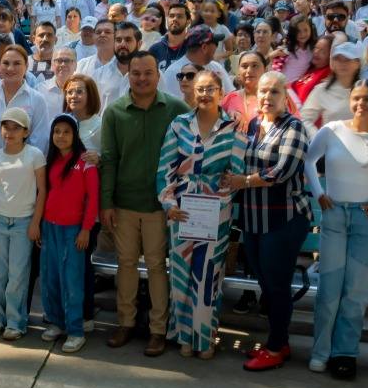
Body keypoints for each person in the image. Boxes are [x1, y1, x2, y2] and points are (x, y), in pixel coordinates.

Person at [304, 80, 368, 379]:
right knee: (329, 288)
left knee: (356, 291)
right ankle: (321, 352)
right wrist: (319, 193)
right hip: (334, 216)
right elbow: (309, 161)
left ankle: (345, 353)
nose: (362, 104)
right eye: (357, 98)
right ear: (350, 101)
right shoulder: (331, 130)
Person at [222, 72, 313, 371]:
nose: (267, 97)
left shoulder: (294, 127)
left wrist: (243, 181)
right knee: (266, 283)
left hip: (284, 218)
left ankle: (275, 348)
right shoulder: (253, 125)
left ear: (285, 96)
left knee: (276, 285)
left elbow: (282, 171)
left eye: (274, 91)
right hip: (254, 219)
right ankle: (279, 341)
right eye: (263, 91)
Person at [99, 52, 188, 356]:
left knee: (156, 266)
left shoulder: (176, 109)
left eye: (148, 72)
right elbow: (109, 159)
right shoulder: (115, 112)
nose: (142, 78)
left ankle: (158, 329)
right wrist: (107, 202)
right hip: (125, 204)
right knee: (125, 265)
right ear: (129, 76)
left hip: (159, 206)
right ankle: (125, 323)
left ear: (158, 75)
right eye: (136, 73)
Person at [156, 69, 244, 358]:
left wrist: (218, 200)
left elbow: (236, 174)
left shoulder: (233, 128)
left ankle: (204, 337)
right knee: (181, 273)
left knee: (208, 274)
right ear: (193, 93)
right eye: (200, 89)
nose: (205, 94)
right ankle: (184, 335)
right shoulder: (179, 124)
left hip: (216, 212)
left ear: (221, 92)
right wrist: (169, 204)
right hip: (181, 209)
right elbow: (165, 168)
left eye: (210, 89)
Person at [0, 106, 45, 340]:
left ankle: (16, 320)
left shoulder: (35, 155)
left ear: (26, 132)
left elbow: (42, 190)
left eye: (16, 128)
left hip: (23, 223)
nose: (10, 132)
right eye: (6, 126)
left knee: (18, 273)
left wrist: (36, 222)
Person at [39, 114, 99, 353]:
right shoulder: (51, 161)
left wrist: (86, 229)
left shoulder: (85, 162)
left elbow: (93, 199)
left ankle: (75, 331)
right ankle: (57, 322)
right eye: (57, 132)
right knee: (50, 277)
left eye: (66, 132)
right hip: (50, 227)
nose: (61, 136)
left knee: (71, 281)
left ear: (75, 135)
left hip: (73, 230)